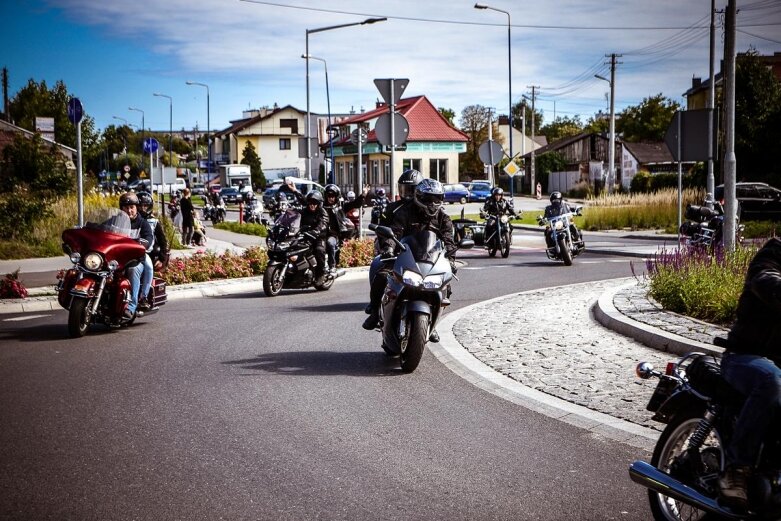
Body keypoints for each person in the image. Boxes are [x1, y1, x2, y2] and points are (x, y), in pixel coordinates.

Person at [718, 237, 781, 509]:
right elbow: (764, 279)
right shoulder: (773, 253)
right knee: (771, 381)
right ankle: (737, 470)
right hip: (744, 357)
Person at [363, 176, 457, 343]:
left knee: (445, 286)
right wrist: (389, 248)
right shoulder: (405, 212)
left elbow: (449, 241)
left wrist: (450, 260)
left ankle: (432, 324)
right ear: (419, 197)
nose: (432, 203)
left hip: (430, 261)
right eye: (428, 199)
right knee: (382, 275)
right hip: (404, 257)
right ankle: (375, 312)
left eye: (437, 199)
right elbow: (395, 231)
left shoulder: (443, 218)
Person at [118, 192, 153, 319]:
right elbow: (103, 230)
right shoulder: (116, 221)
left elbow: (149, 237)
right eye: (126, 207)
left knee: (135, 270)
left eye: (132, 207)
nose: (129, 210)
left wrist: (144, 244)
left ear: (136, 208)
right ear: (121, 208)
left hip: (136, 257)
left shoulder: (143, 223)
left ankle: (134, 305)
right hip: (117, 257)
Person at [322, 183, 369, 268]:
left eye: (333, 196)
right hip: (321, 233)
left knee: (330, 243)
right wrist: (295, 191)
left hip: (333, 234)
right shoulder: (321, 207)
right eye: (329, 196)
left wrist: (363, 195)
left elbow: (355, 204)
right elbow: (308, 203)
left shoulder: (341, 206)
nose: (331, 198)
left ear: (336, 197)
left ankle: (332, 266)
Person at [136, 191, 168, 310]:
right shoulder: (131, 219)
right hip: (130, 251)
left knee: (148, 268)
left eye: (146, 206)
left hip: (147, 252)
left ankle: (143, 297)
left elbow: (163, 241)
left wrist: (161, 258)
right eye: (140, 206)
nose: (143, 208)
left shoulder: (154, 221)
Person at [296, 190, 329, 283]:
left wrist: (316, 231)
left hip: (318, 237)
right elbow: (294, 218)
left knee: (319, 250)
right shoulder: (304, 211)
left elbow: (323, 223)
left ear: (319, 204)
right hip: (305, 236)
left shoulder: (322, 213)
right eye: (311, 202)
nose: (312, 205)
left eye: (315, 203)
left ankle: (320, 273)